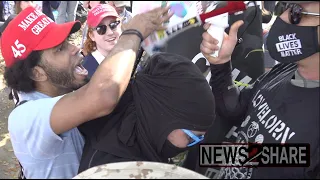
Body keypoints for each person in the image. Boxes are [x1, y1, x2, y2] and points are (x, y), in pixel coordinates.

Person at [1, 5, 173, 179]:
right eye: (60, 49)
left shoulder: (62, 90)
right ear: (36, 73)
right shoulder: (25, 118)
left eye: (68, 41)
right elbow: (103, 95)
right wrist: (133, 33)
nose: (74, 48)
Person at [193, 0, 319, 179]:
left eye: (297, 13)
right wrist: (221, 63)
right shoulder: (285, 70)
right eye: (284, 7)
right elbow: (235, 109)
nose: (282, 18)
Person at [77, 52, 216, 174]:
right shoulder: (114, 171)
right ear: (161, 119)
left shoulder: (133, 137)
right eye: (191, 138)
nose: (190, 146)